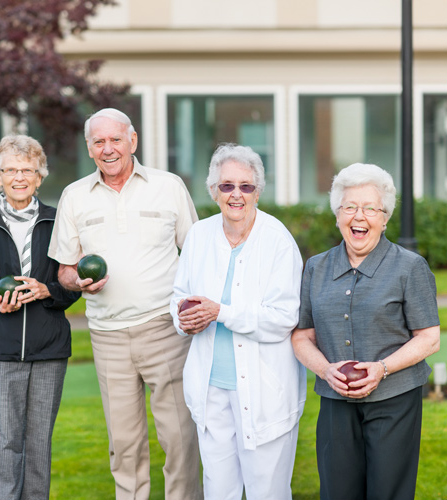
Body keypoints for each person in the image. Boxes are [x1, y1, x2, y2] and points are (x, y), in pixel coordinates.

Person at [48, 108, 202, 500]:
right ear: (89, 148)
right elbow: (64, 270)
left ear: (133, 141)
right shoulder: (75, 195)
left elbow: (199, 254)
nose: (108, 148)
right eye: (99, 142)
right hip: (106, 335)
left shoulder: (168, 187)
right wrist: (78, 282)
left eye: (116, 139)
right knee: (124, 442)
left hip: (164, 329)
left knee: (179, 437)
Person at [291, 163, 441, 500]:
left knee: (389, 493)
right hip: (335, 403)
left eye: (370, 208)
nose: (359, 216)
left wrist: (382, 369)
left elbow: (430, 337)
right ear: (337, 215)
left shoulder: (409, 267)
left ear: (384, 218)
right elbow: (302, 336)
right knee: (337, 492)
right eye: (349, 207)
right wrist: (324, 370)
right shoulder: (316, 267)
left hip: (395, 401)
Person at [170, 143, 306, 500]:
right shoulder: (199, 236)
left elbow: (283, 318)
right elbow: (179, 295)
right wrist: (185, 319)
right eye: (227, 185)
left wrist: (221, 312)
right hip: (211, 386)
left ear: (258, 192)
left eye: (245, 186)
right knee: (219, 490)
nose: (236, 195)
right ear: (213, 191)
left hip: (266, 393)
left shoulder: (277, 241)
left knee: (268, 492)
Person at [0, 135, 81, 500]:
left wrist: (49, 291)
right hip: (2, 351)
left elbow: (72, 283)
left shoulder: (58, 222)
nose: (19, 177)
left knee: (38, 447)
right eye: (11, 170)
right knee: (2, 445)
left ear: (40, 177)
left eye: (27, 170)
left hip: (50, 349)